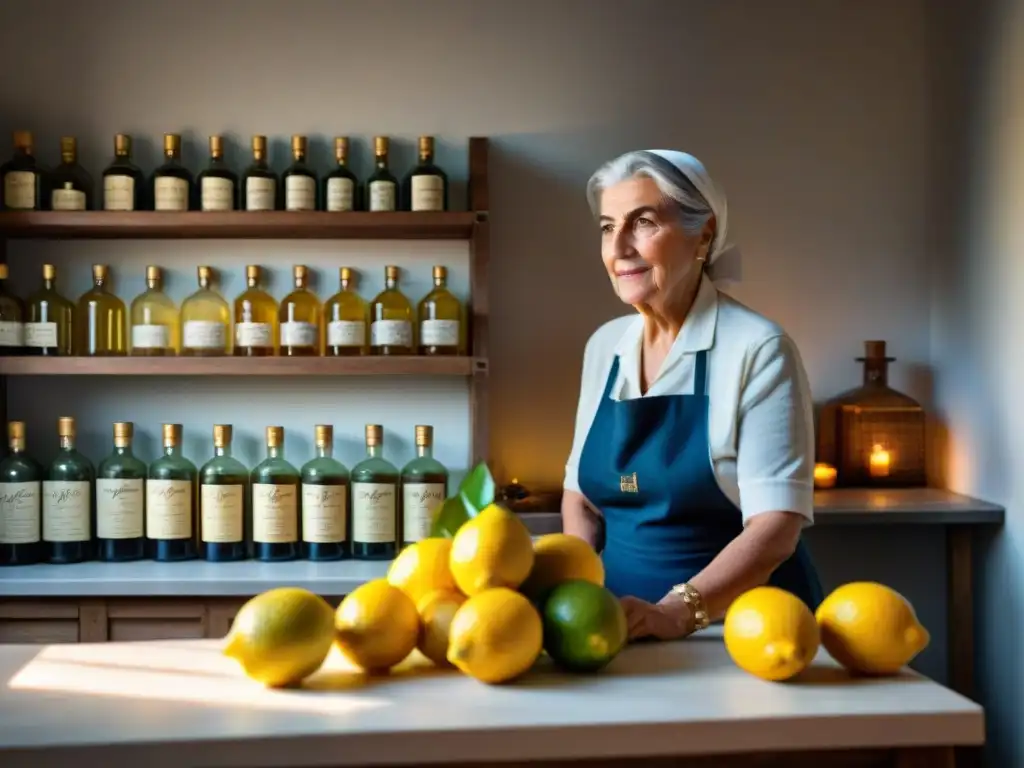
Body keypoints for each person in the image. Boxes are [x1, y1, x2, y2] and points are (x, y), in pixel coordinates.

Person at [561, 149, 823, 643]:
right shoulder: (605, 347)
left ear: (703, 233)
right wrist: (580, 590)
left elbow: (777, 527)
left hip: (744, 635)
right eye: (606, 227)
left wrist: (677, 613)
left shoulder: (758, 348)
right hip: (616, 633)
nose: (618, 248)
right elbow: (579, 496)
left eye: (642, 223)